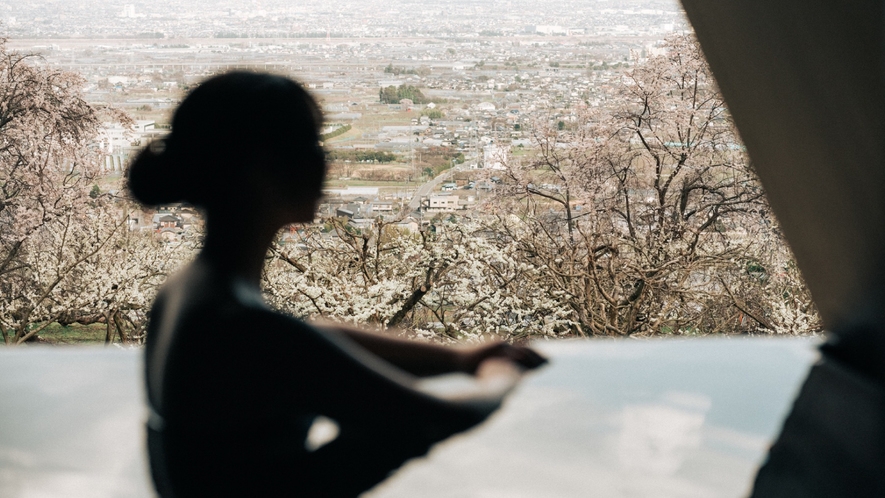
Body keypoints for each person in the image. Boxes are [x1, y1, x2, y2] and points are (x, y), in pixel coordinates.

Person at [127, 71, 546, 498]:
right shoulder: (235, 322)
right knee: (397, 435)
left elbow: (306, 340)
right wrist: (501, 375)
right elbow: (432, 417)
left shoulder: (195, 290)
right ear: (263, 167)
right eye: (311, 145)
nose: (324, 161)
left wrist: (458, 359)